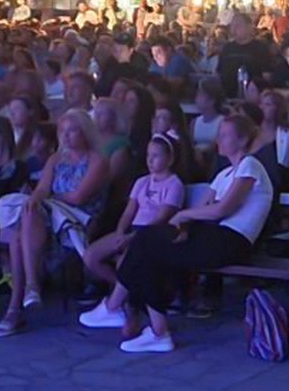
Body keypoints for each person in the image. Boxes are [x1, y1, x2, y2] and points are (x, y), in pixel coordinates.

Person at [110, 114, 275, 355]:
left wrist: (185, 216)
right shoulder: (223, 175)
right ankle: (155, 330)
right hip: (211, 235)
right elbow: (206, 208)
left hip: (231, 240)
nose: (219, 139)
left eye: (226, 135)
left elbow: (222, 209)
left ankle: (117, 307)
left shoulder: (250, 166)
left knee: (146, 242)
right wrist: (184, 225)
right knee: (147, 245)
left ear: (242, 140)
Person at [0, 109, 109, 336]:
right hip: (48, 218)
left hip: (76, 222)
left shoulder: (97, 161)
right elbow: (42, 189)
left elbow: (78, 197)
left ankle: (21, 300)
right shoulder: (56, 159)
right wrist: (35, 199)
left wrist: (46, 199)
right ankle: (27, 294)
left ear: (85, 132)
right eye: (62, 130)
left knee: (21, 231)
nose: (66, 136)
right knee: (27, 216)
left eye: (72, 130)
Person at [78, 135, 188, 327]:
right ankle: (125, 293)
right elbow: (129, 211)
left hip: (151, 235)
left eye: (156, 156)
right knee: (91, 256)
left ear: (170, 159)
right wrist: (121, 232)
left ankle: (125, 306)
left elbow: (161, 218)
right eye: (148, 155)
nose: (150, 160)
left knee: (125, 262)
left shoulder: (174, 184)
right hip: (131, 230)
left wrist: (130, 238)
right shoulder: (142, 182)